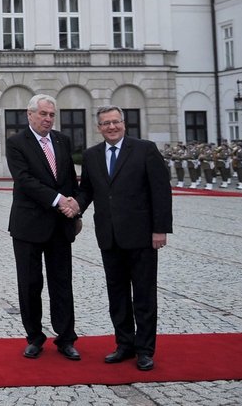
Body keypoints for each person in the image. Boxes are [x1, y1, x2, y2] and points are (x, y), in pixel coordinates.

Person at [72, 106, 173, 372]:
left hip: (141, 236)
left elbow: (160, 191)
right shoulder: (92, 155)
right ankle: (124, 344)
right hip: (110, 236)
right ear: (99, 127)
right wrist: (74, 208)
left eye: (115, 122)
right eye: (106, 123)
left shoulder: (145, 149)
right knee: (117, 296)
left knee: (143, 295)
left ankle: (145, 350)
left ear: (124, 124)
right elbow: (87, 192)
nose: (111, 127)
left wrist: (160, 229)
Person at [5, 94, 81, 361]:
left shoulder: (62, 140)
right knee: (30, 283)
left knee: (62, 283)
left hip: (61, 225)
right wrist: (59, 200)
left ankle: (66, 338)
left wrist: (75, 209)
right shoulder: (16, 143)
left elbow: (70, 178)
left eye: (51, 115)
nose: (48, 119)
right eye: (43, 114)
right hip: (28, 225)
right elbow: (24, 181)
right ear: (30, 114)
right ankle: (35, 337)